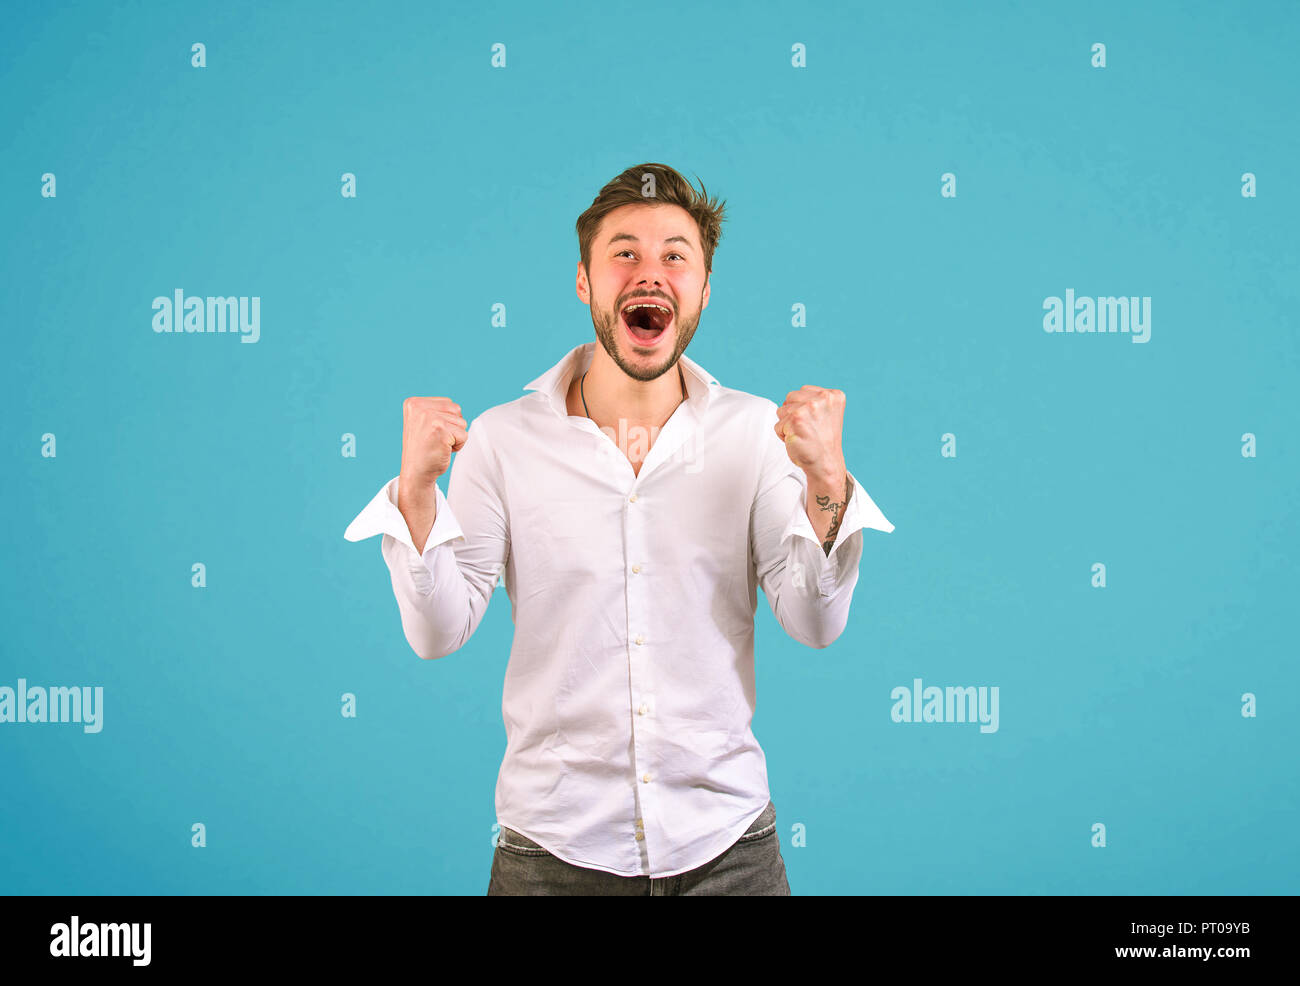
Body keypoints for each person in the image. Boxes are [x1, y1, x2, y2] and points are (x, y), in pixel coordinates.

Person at [344, 162, 895, 895]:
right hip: (550, 857)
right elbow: (437, 633)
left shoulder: (757, 436)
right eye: (625, 252)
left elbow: (814, 622)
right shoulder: (504, 442)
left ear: (702, 289)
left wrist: (827, 482)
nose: (651, 271)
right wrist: (415, 490)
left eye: (676, 255)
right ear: (585, 281)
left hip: (729, 853)